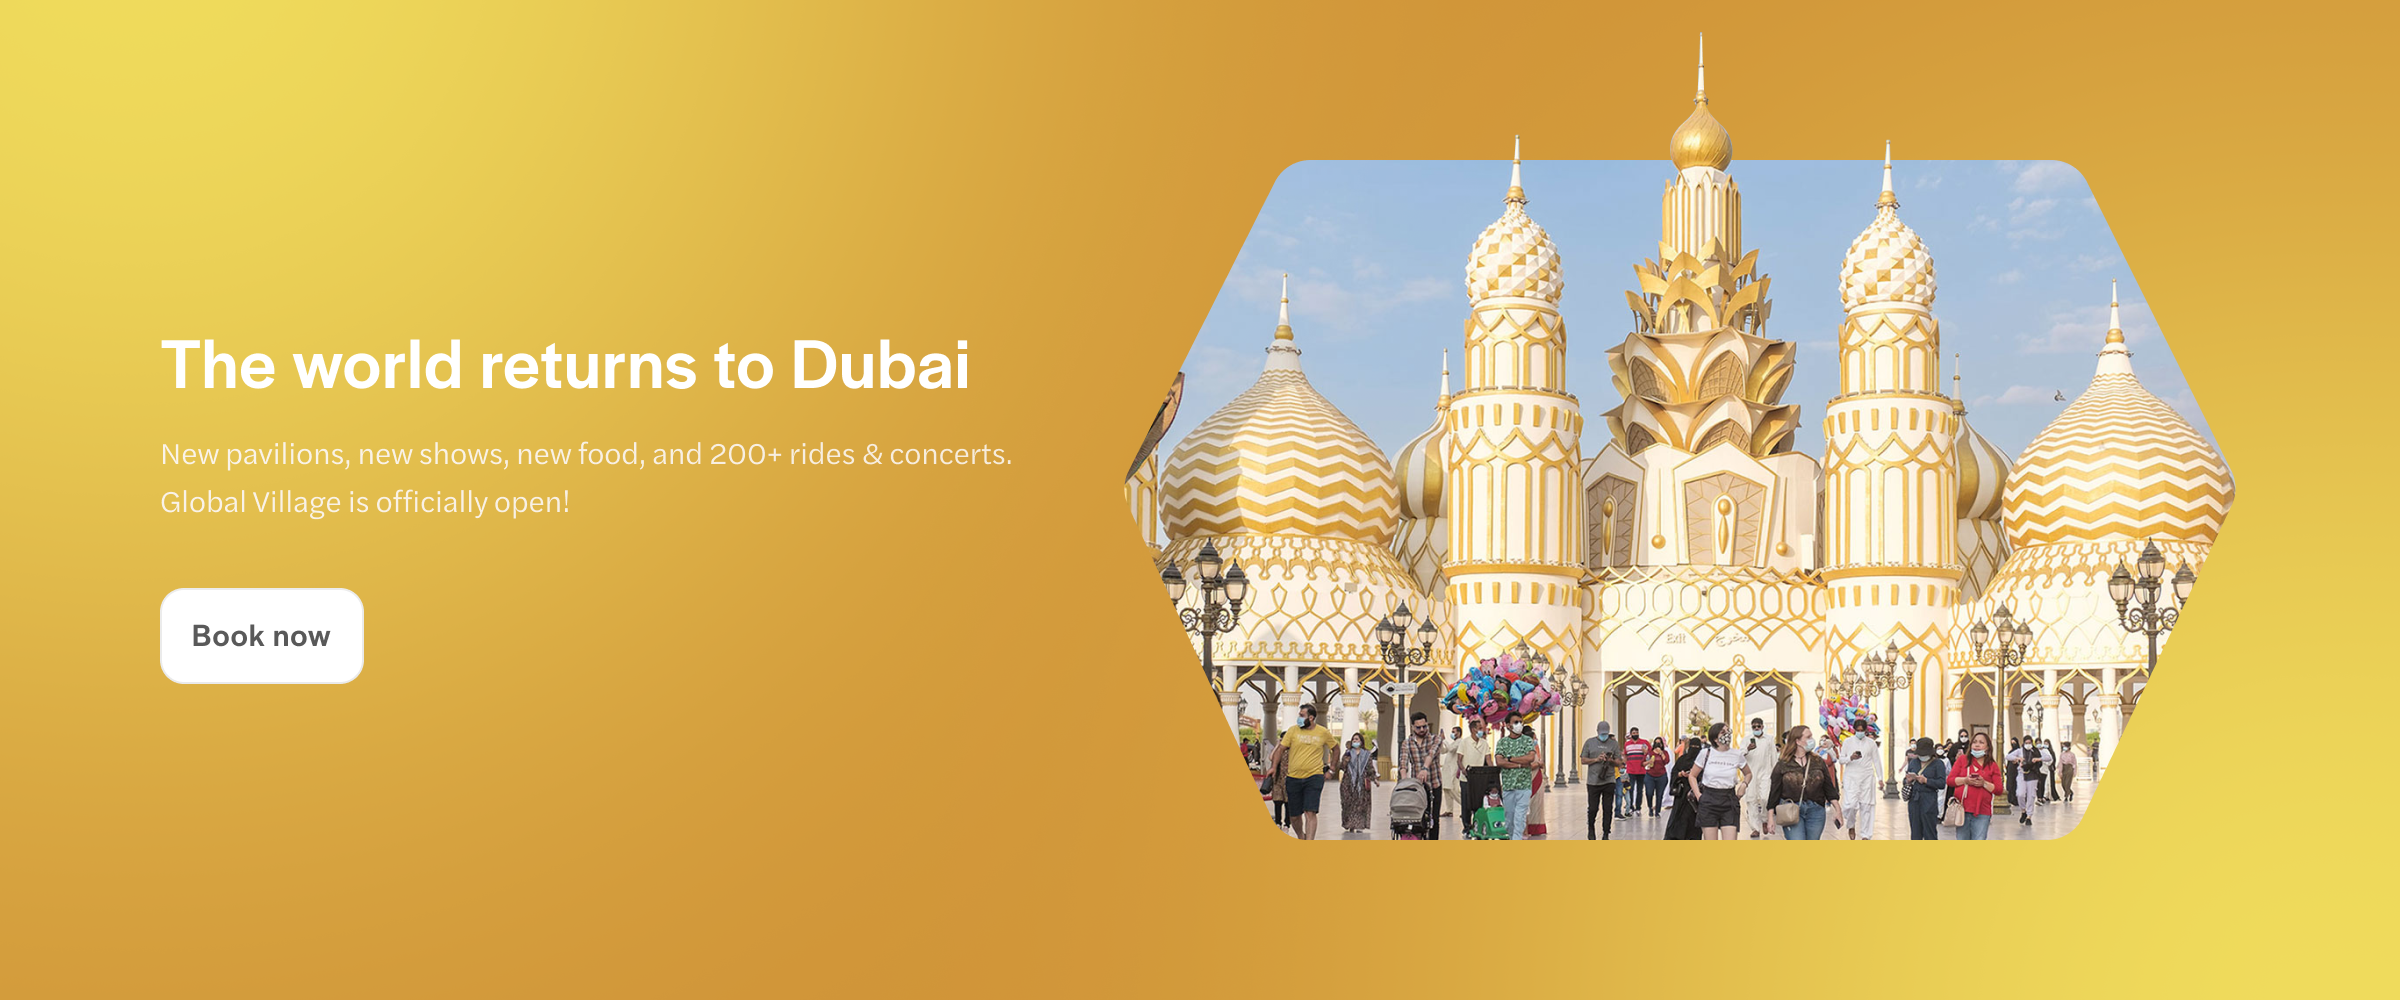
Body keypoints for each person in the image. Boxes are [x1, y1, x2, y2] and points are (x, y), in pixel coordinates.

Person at [1271, 703, 1338, 840]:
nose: (1299, 718)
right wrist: (1273, 767)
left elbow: (1336, 748)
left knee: (1310, 812)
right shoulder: (1293, 731)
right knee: (1294, 815)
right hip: (1293, 778)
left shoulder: (1323, 732)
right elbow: (1280, 750)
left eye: (1302, 716)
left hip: (1314, 777)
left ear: (1311, 718)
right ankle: (1301, 836)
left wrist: (1332, 769)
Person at [1766, 726, 1839, 840]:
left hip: (1816, 810)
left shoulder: (1818, 761)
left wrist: (1837, 810)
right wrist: (1770, 817)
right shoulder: (1783, 763)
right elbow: (1774, 791)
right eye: (1808, 737)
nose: (1812, 740)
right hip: (1791, 809)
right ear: (1798, 741)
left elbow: (1828, 788)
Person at [1686, 722, 1749, 840]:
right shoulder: (1706, 753)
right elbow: (1692, 776)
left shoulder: (1737, 754)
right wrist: (1698, 795)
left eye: (1728, 731)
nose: (1728, 734)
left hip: (1729, 800)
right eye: (1723, 732)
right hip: (1709, 799)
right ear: (1715, 738)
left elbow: (1748, 773)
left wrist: (1744, 785)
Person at [1949, 732, 2003, 840]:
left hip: (1982, 812)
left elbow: (1999, 789)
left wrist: (1984, 783)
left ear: (1987, 747)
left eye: (1981, 743)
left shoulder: (1992, 765)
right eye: (1974, 742)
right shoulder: (1962, 760)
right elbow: (1950, 781)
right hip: (1963, 810)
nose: (1977, 745)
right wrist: (1965, 780)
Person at [1495, 712, 1539, 840]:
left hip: (1524, 785)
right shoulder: (1502, 742)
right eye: (1515, 722)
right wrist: (1519, 765)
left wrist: (1510, 758)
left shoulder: (1527, 741)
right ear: (1508, 725)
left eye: (1521, 722)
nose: (1519, 725)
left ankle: (1516, 840)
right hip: (1508, 786)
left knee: (1520, 817)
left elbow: (1530, 758)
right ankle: (1512, 836)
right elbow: (1499, 762)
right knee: (1509, 818)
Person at [1400, 713, 1443, 840]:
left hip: (1434, 783)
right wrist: (1403, 782)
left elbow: (1432, 753)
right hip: (1417, 788)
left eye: (1424, 726)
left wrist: (1425, 768)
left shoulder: (1436, 739)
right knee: (1417, 817)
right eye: (1418, 727)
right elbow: (1403, 763)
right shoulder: (1407, 743)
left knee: (1434, 819)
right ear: (1413, 727)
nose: (1422, 730)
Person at [1579, 721, 1623, 840]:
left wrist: (1610, 760)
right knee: (1593, 808)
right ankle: (1591, 828)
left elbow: (1619, 762)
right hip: (1593, 781)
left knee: (1607, 808)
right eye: (1602, 733)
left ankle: (1605, 833)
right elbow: (1583, 760)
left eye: (1606, 734)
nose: (1604, 736)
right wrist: (1596, 759)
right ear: (1597, 731)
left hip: (1609, 780)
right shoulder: (1590, 742)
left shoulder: (1613, 744)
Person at [1837, 722, 1880, 840]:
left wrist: (1880, 778)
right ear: (1854, 730)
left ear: (1866, 730)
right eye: (1858, 730)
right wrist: (1850, 758)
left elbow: (1876, 761)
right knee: (1850, 806)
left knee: (1867, 807)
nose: (1860, 732)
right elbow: (1841, 760)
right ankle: (1851, 825)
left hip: (1867, 777)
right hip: (1851, 778)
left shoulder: (1871, 744)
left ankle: (1866, 836)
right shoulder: (1848, 742)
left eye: (1862, 730)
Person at [1901, 737, 1948, 840]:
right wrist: (1908, 780)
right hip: (1914, 799)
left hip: (1929, 799)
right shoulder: (1913, 762)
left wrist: (1926, 781)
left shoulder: (1938, 764)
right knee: (1915, 832)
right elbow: (1905, 780)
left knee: (1929, 832)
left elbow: (1941, 783)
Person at [1741, 717, 1778, 839]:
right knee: (1751, 800)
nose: (1756, 728)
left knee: (1765, 798)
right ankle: (1755, 828)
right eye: (1754, 727)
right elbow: (1740, 755)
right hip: (1750, 775)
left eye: (1758, 726)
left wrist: (1775, 773)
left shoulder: (1769, 739)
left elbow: (1773, 756)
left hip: (1765, 774)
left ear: (1762, 726)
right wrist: (1748, 749)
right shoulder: (1746, 740)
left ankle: (1764, 819)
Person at [1663, 737, 1704, 840]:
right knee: (1679, 819)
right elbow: (1674, 773)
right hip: (1682, 795)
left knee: (1693, 821)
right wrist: (1680, 774)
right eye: (1692, 747)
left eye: (1696, 747)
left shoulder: (1702, 761)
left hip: (1696, 795)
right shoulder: (1682, 759)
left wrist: (1694, 775)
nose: (1694, 749)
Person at [1617, 727, 1650, 820]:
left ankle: (1638, 807)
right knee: (1630, 789)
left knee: (1640, 790)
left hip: (1641, 770)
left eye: (1637, 732)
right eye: (1634, 732)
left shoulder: (1644, 742)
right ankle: (1631, 807)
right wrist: (1625, 764)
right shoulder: (1627, 744)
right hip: (1631, 770)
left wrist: (1645, 752)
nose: (1635, 734)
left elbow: (1649, 753)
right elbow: (1625, 755)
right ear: (1631, 734)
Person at [2015, 737, 2045, 828]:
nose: (2028, 744)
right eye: (2026, 742)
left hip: (2033, 775)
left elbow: (2047, 758)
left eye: (2029, 742)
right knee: (2020, 794)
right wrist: (2017, 759)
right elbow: (2008, 756)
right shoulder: (2020, 751)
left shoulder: (2035, 751)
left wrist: (2037, 760)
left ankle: (2029, 816)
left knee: (2031, 796)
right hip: (2022, 774)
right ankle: (2023, 811)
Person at [1438, 725, 1465, 820]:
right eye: (1452, 731)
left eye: (1454, 732)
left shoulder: (1460, 742)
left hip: (1453, 769)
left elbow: (1450, 749)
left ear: (1459, 733)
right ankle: (1449, 811)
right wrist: (1441, 742)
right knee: (1446, 789)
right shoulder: (1453, 742)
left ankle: (1466, 807)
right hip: (1446, 769)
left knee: (1453, 790)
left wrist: (1444, 739)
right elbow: (1444, 751)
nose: (1453, 734)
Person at [1644, 730, 1672, 817]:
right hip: (1650, 775)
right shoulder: (1650, 752)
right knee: (1649, 793)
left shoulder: (1665, 752)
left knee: (1659, 794)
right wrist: (1648, 762)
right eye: (1656, 743)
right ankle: (1650, 807)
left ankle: (1657, 812)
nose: (1657, 745)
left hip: (1661, 776)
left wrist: (1661, 753)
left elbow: (1666, 761)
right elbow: (1643, 763)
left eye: (1659, 743)